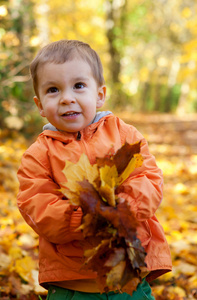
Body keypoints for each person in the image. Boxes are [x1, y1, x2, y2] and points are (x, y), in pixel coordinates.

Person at [17, 39, 172, 300]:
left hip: (128, 270)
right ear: (40, 105)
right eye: (53, 90)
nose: (67, 98)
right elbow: (37, 206)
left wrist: (122, 208)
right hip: (73, 280)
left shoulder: (124, 134)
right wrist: (86, 216)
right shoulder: (39, 155)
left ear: (99, 95)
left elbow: (148, 177)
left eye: (78, 86)